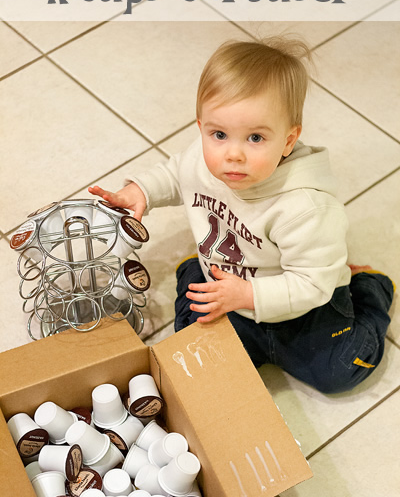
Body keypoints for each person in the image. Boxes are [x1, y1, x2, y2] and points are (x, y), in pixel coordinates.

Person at [89, 37, 394, 394]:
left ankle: (370, 287)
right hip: (230, 292)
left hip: (304, 308)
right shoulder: (205, 158)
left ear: (288, 140)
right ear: (201, 125)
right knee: (197, 362)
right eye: (219, 134)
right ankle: (196, 267)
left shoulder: (305, 208)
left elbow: (311, 285)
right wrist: (141, 191)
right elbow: (177, 173)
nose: (232, 154)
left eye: (255, 138)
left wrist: (248, 295)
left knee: (339, 371)